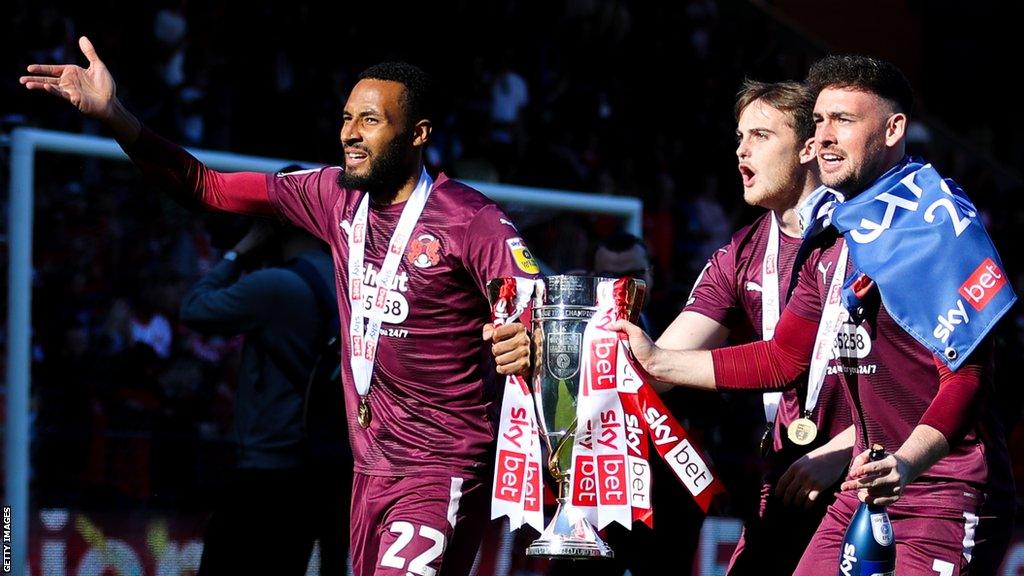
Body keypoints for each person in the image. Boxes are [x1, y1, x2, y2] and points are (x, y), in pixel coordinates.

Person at [22, 37, 540, 576]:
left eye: (370, 120)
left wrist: (530, 335)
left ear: (418, 134)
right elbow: (207, 185)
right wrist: (115, 116)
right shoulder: (331, 195)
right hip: (366, 472)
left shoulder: (468, 219)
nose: (350, 134)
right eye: (346, 119)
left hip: (440, 468)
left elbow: (543, 302)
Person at [612, 55, 1015, 575]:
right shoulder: (827, 232)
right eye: (819, 121)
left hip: (940, 486)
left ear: (894, 129)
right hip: (863, 486)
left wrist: (906, 462)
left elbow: (967, 378)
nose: (823, 136)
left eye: (842, 121)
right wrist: (658, 361)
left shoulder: (934, 224)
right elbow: (782, 359)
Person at [660, 80, 854, 576]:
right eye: (740, 136)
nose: (742, 150)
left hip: (871, 474)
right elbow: (662, 364)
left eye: (761, 135)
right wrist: (569, 349)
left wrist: (846, 450)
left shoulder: (867, 238)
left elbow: (925, 379)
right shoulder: (740, 253)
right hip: (787, 479)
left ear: (810, 147)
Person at [179, 219, 347, 575]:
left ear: (276, 225)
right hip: (321, 467)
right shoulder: (345, 279)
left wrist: (237, 254)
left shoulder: (276, 284)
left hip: (266, 470)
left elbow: (194, 308)